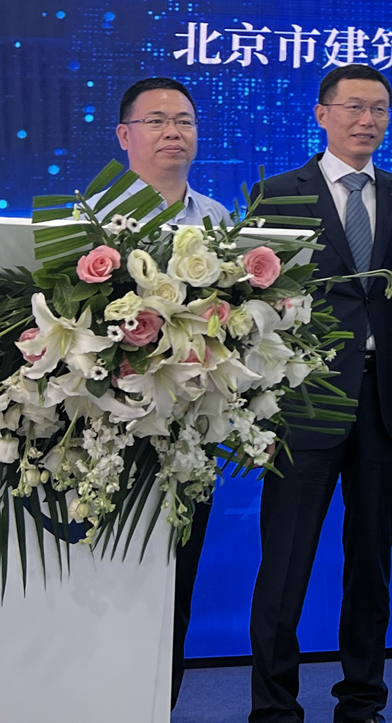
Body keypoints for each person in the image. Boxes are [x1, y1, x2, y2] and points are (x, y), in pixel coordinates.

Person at [247, 65, 392, 723]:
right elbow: (252, 311)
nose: (367, 120)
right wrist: (256, 410)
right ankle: (274, 707)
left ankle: (362, 700)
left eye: (379, 108)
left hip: (384, 403)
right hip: (302, 404)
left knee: (371, 566)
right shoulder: (276, 194)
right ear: (322, 114)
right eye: (354, 107)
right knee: (285, 563)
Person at [111, 76, 231, 712]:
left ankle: (162, 703)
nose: (172, 132)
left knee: (176, 578)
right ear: (124, 135)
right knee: (107, 575)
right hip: (108, 432)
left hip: (190, 432)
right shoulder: (90, 217)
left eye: (183, 121)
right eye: (155, 121)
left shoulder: (218, 222)